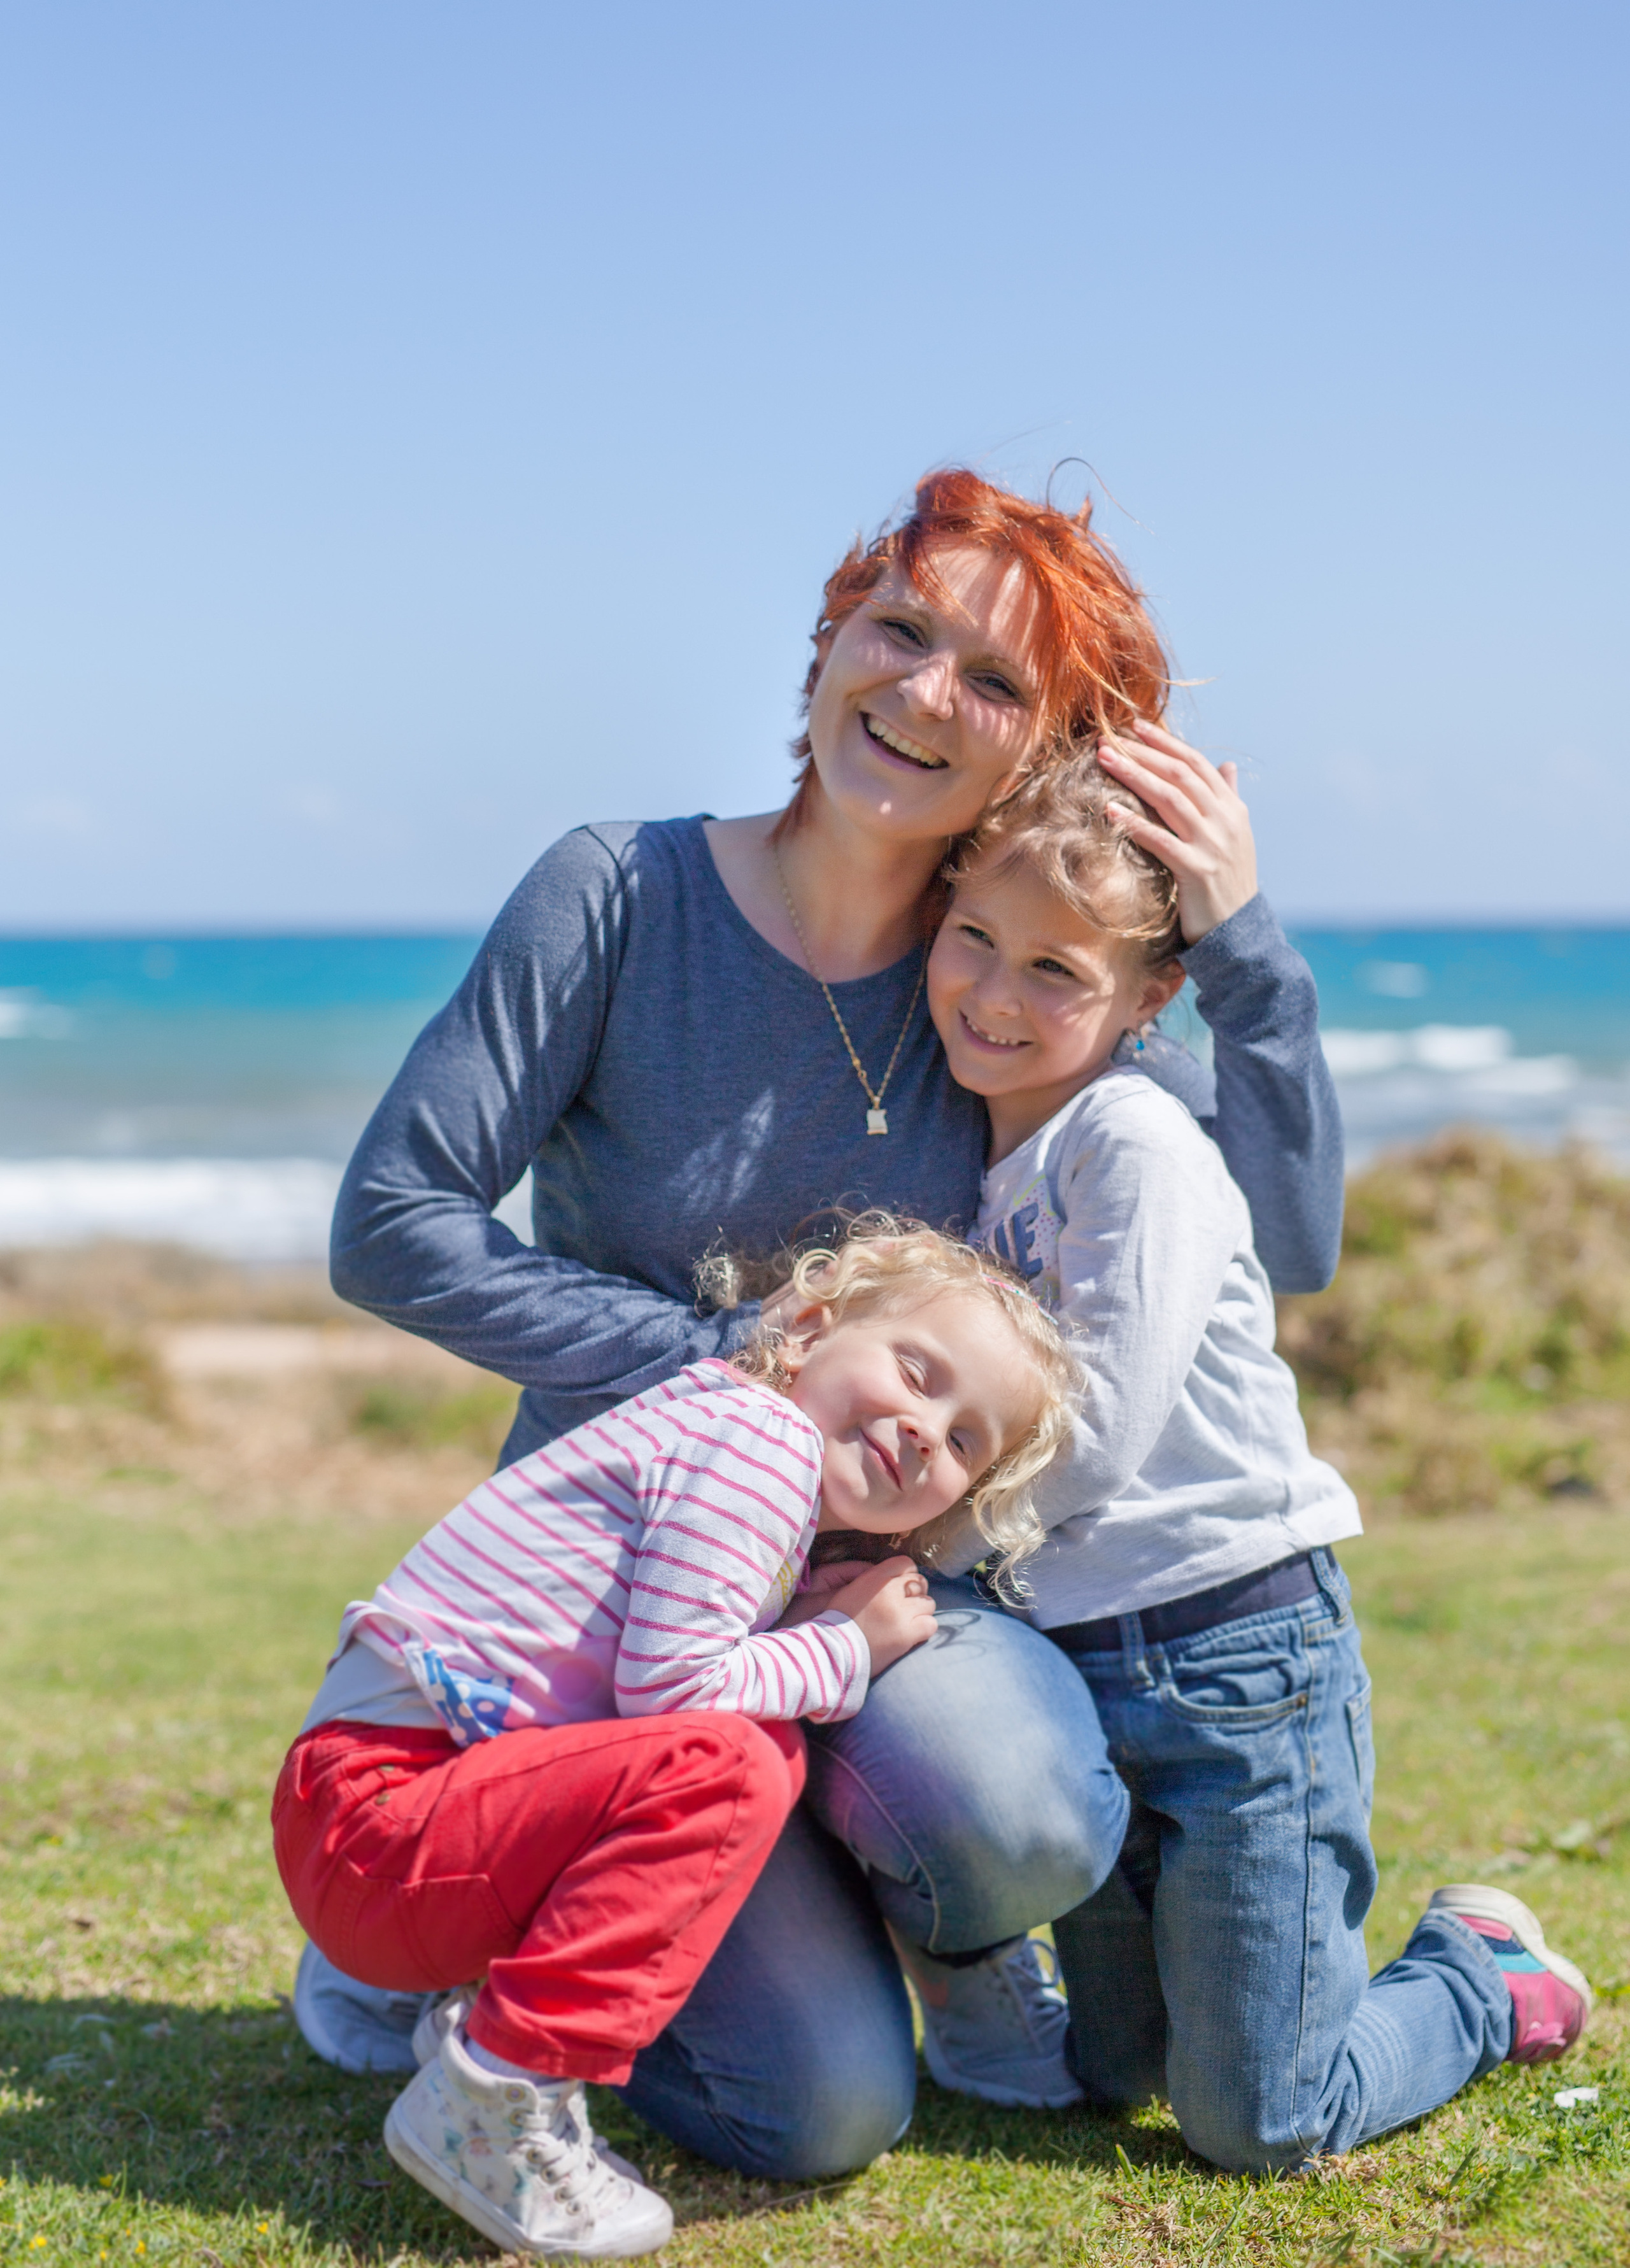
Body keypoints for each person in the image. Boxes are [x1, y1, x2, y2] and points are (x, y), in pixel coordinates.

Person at [302, 468, 1347, 2174]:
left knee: (1016, 1812)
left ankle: (831, 1905)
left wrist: (1247, 954)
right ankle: (496, 1903)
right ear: (828, 644)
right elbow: (392, 1225)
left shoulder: (1001, 976)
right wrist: (729, 1377)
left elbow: (1284, 1240)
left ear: (1049, 751)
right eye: (899, 629)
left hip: (881, 1608)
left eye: (997, 682)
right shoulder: (621, 896)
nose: (925, 693)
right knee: (823, 2114)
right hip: (625, 1616)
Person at [895, 746, 1592, 2171]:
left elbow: (1093, 1432)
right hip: (1086, 1672)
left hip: (1237, 1662)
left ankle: (1474, 1969)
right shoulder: (982, 1168)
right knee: (1113, 2072)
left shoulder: (1136, 1138)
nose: (994, 993)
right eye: (974, 936)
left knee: (1262, 2116)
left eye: (1055, 970)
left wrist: (914, 1561)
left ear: (1150, 998)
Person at [276, 1221, 1080, 2257]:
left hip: (383, 1818)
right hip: (382, 1820)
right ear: (805, 1326)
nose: (929, 1428)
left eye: (967, 1441)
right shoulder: (761, 1444)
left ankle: (466, 2016)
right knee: (743, 1761)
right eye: (917, 1373)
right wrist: (844, 1647)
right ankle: (500, 2090)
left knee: (743, 1747)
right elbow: (676, 1688)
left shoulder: (730, 1440)